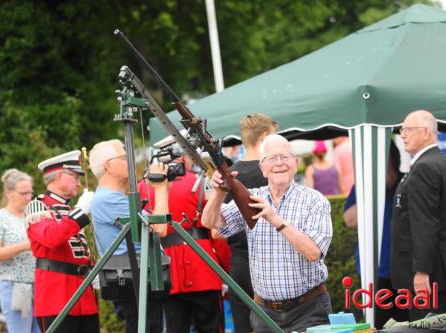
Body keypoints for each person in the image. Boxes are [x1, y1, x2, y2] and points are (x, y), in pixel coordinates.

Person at [202, 134, 333, 332]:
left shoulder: (315, 201)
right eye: (272, 158)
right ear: (262, 169)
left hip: (309, 310)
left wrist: (275, 219)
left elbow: (313, 252)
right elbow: (211, 223)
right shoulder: (252, 198)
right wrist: (218, 193)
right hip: (264, 313)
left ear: (295, 163)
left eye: (284, 157)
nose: (279, 163)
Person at [138, 153, 225, 333]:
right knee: (211, 327)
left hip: (168, 271)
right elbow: (216, 229)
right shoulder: (200, 181)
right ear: (184, 156)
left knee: (175, 328)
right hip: (203, 266)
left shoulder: (143, 186)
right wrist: (225, 267)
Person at [391, 110, 446, 321]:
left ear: (425, 133)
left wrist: (421, 271)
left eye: (408, 129)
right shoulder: (437, 161)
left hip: (428, 275)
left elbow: (425, 223)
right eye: (402, 130)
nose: (402, 134)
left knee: (428, 325)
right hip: (436, 271)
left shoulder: (425, 166)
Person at [89, 139, 164, 333]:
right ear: (109, 165)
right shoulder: (109, 199)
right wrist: (161, 187)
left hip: (136, 277)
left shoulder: (112, 197)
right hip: (134, 280)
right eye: (124, 157)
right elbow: (160, 228)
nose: (130, 162)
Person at [25, 150, 99, 333]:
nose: (79, 183)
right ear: (58, 177)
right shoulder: (38, 206)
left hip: (84, 294)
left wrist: (93, 270)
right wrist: (81, 211)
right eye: (74, 176)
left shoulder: (69, 209)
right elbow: (52, 238)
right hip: (56, 297)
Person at [342, 142, 407, 328]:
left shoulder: (406, 182)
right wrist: (371, 191)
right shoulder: (363, 187)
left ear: (392, 160)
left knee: (407, 325)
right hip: (374, 272)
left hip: (404, 270)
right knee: (377, 324)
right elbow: (349, 220)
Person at [224, 113, 277, 333]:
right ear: (264, 137)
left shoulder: (230, 175)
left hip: (239, 265)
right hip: (269, 263)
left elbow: (220, 229)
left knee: (243, 327)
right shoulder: (272, 173)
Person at [0, 169, 40, 333]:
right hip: (16, 286)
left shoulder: (33, 215)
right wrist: (25, 245)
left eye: (30, 192)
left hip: (39, 286)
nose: (29, 197)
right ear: (9, 193)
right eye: (23, 193)